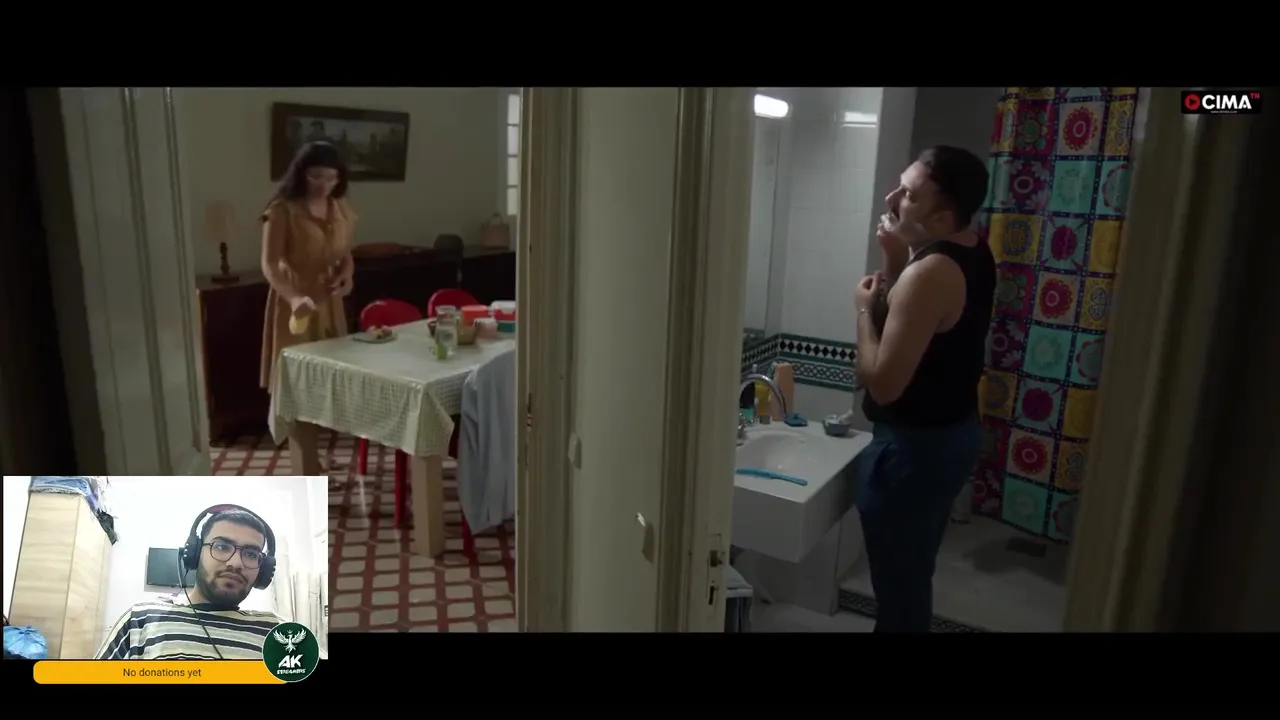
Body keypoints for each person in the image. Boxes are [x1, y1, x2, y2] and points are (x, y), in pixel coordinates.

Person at [851, 145, 996, 633]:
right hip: (951, 434)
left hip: (913, 452)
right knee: (910, 577)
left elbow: (883, 384)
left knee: (900, 591)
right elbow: (919, 328)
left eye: (909, 195)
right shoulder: (973, 248)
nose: (892, 198)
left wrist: (861, 311)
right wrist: (895, 259)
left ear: (942, 219)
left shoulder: (930, 272)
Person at [95, 508, 285, 659]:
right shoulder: (141, 619)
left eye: (251, 554)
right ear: (195, 553)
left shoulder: (280, 633)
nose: (235, 563)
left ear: (263, 570)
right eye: (221, 547)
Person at [259, 141, 357, 396]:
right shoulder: (281, 211)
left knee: (331, 380)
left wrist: (347, 275)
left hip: (330, 301)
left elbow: (345, 253)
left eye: (331, 179)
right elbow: (269, 263)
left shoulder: (340, 206)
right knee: (299, 385)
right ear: (301, 173)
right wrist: (293, 298)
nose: (324, 185)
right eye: (316, 177)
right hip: (296, 300)